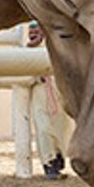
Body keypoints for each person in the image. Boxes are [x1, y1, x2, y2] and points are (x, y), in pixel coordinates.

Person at [24, 24, 68, 178]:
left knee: (60, 129)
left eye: (37, 31)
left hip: (58, 94)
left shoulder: (53, 47)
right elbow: (22, 76)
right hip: (40, 94)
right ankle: (48, 164)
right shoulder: (25, 52)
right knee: (43, 129)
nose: (33, 34)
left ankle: (58, 159)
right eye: (31, 32)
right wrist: (37, 77)